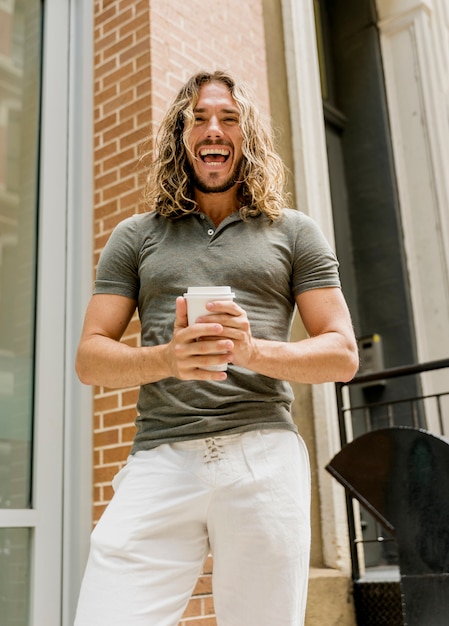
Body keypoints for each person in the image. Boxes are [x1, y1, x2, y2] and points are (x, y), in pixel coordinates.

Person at [74, 70, 359, 626]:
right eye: (198, 117)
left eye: (228, 118)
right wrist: (166, 358)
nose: (213, 128)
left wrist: (252, 352)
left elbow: (341, 353)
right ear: (180, 136)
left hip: (262, 455)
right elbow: (90, 358)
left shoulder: (294, 231)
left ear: (245, 134)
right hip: (161, 456)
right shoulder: (135, 236)